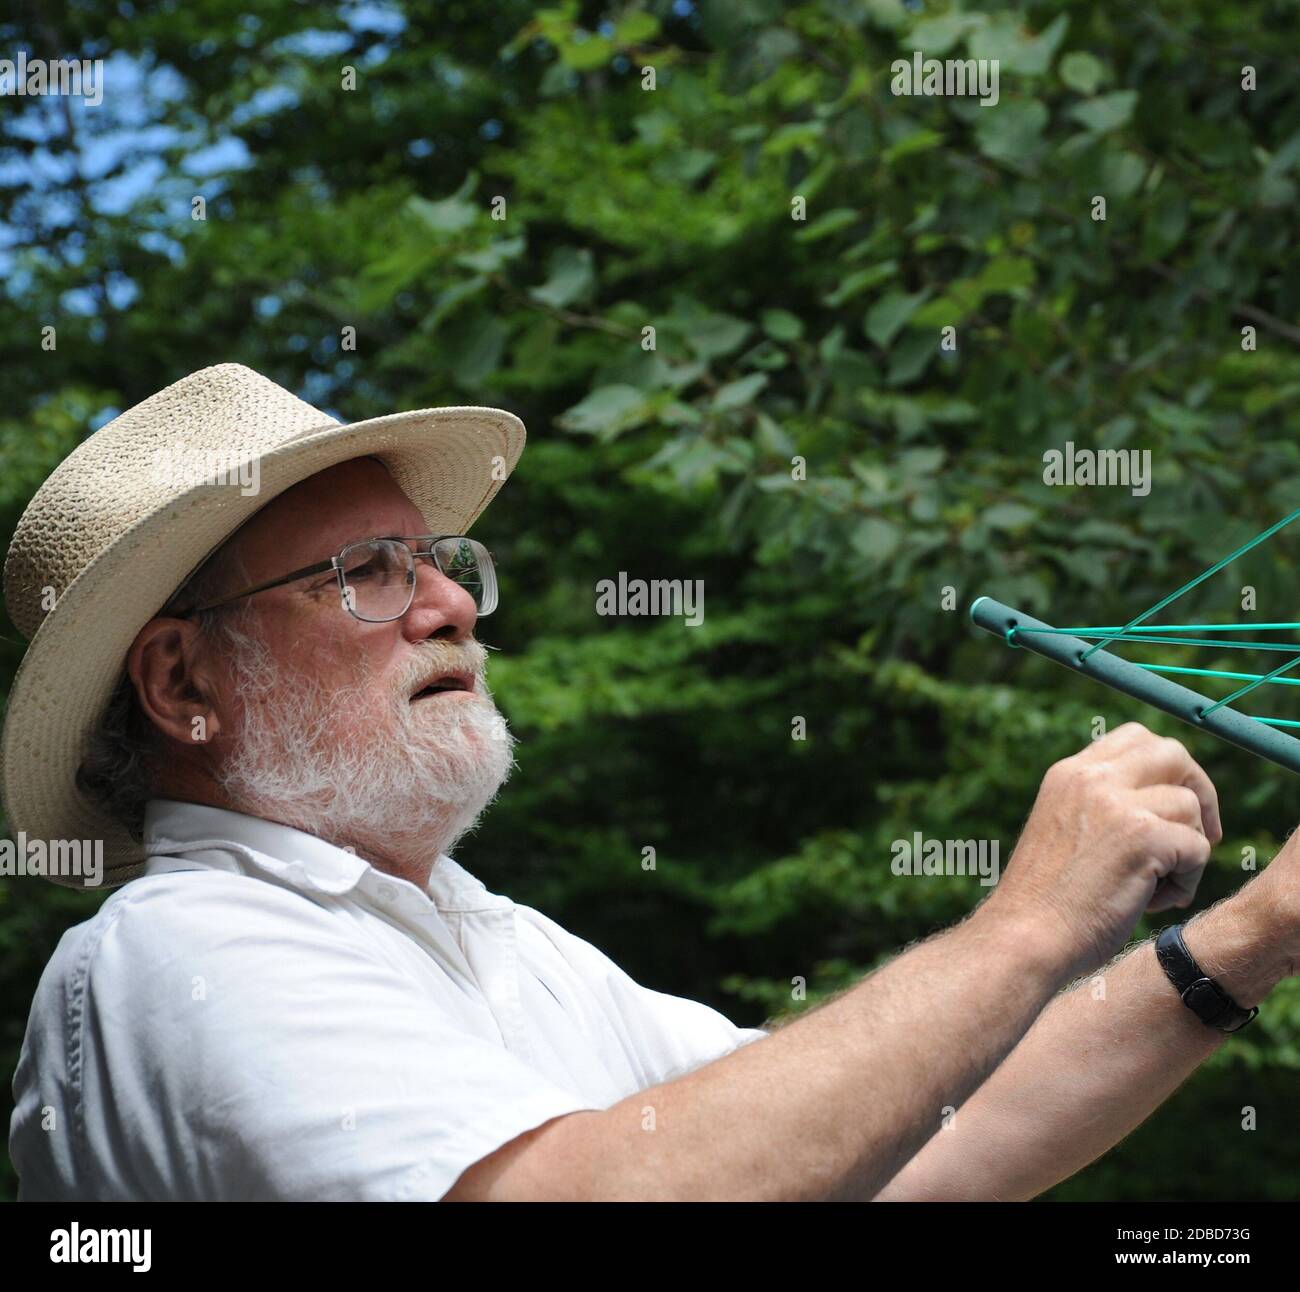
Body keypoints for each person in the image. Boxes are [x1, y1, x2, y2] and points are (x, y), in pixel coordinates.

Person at [6, 364, 1298, 1201]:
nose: (455, 602)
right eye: (368, 573)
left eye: (442, 561)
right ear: (182, 685)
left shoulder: (502, 941)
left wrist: (1256, 930)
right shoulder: (171, 954)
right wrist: (1033, 919)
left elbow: (918, 1143)